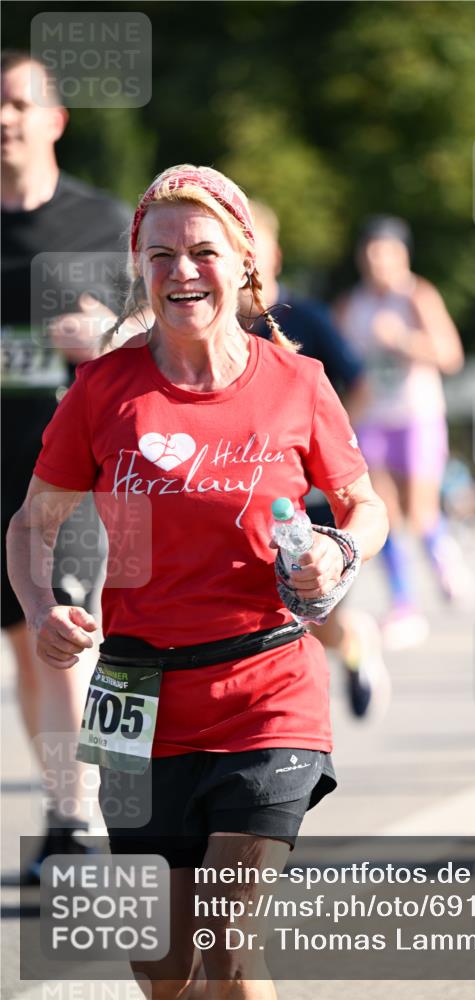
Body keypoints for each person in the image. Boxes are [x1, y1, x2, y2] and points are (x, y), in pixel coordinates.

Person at [7, 163, 388, 999]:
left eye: (203, 251)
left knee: (226, 948)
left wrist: (340, 551)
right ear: (138, 267)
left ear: (246, 262)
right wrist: (44, 608)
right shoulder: (105, 389)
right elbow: (31, 524)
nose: (182, 271)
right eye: (160, 254)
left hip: (268, 690)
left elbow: (365, 505)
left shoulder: (298, 383)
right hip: (136, 696)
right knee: (162, 965)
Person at [1, 49, 131, 879]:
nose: (3, 120)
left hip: (70, 472)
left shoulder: (103, 222)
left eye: (17, 104)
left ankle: (76, 818)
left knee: (70, 632)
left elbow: (155, 340)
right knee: (23, 644)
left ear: (54, 119)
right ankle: (60, 806)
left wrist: (105, 341)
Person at [240, 201, 391, 719]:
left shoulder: (307, 318)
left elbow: (360, 383)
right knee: (273, 611)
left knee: (309, 607)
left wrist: (327, 444)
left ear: (274, 253)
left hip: (310, 494)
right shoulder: (214, 327)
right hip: (245, 493)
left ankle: (353, 642)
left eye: (254, 247)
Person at [336, 216, 469, 650]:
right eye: (370, 253)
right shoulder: (350, 305)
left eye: (386, 252)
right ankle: (404, 604)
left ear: (402, 255)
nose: (377, 261)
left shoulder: (417, 296)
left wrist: (404, 340)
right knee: (383, 512)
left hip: (417, 415)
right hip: (371, 418)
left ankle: (441, 554)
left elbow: (450, 355)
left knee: (422, 509)